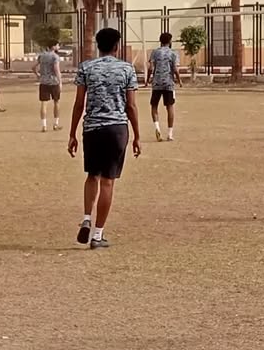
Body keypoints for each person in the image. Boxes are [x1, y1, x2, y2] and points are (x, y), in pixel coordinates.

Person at [67, 26, 141, 249]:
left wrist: (72, 133)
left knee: (92, 176)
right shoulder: (127, 69)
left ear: (98, 45)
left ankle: (86, 217)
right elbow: (131, 105)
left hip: (92, 128)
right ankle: (98, 235)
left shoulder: (86, 68)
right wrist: (137, 135)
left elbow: (79, 103)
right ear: (117, 46)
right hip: (116, 128)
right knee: (108, 181)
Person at [147, 31, 180, 142]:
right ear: (170, 41)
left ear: (160, 41)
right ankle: (170, 134)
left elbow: (151, 68)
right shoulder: (173, 53)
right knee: (170, 107)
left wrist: (147, 80)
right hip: (168, 83)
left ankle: (157, 128)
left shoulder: (155, 52)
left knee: (154, 106)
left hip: (157, 83)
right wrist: (179, 80)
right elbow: (175, 69)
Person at [36, 38, 65, 131]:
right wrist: (60, 81)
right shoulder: (55, 57)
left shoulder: (41, 56)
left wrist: (38, 75)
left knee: (44, 103)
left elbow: (33, 67)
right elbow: (56, 70)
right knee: (56, 102)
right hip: (53, 82)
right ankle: (56, 123)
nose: (58, 47)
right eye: (57, 45)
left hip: (44, 82)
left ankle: (44, 125)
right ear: (53, 46)